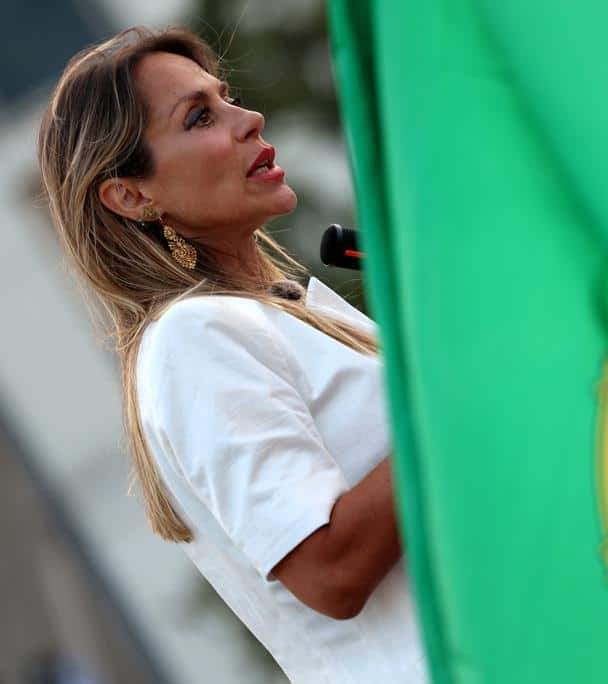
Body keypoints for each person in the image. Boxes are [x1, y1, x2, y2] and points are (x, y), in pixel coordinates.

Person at [37, 27, 426, 683]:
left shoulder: (288, 309)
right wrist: (450, 391)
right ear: (131, 195)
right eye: (199, 117)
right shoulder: (195, 337)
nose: (249, 120)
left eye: (227, 97)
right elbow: (328, 573)